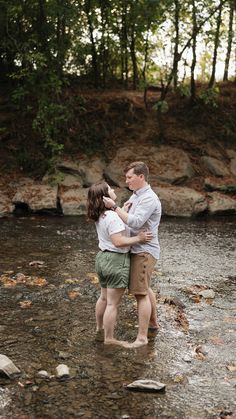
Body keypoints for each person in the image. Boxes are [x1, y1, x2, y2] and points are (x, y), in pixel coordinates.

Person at [103, 161, 162, 348]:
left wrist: (114, 207)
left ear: (141, 177)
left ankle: (142, 338)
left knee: (140, 294)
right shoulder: (137, 196)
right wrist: (123, 209)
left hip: (143, 251)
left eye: (130, 177)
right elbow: (128, 222)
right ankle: (153, 324)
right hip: (137, 248)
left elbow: (135, 223)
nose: (127, 181)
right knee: (145, 288)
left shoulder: (148, 198)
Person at [87, 181, 153, 346]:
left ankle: (99, 328)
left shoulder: (101, 214)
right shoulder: (112, 216)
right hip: (116, 260)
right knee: (112, 303)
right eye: (110, 189)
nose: (113, 189)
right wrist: (139, 238)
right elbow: (118, 241)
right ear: (105, 197)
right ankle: (109, 338)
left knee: (103, 298)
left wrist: (121, 209)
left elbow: (113, 227)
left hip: (102, 258)